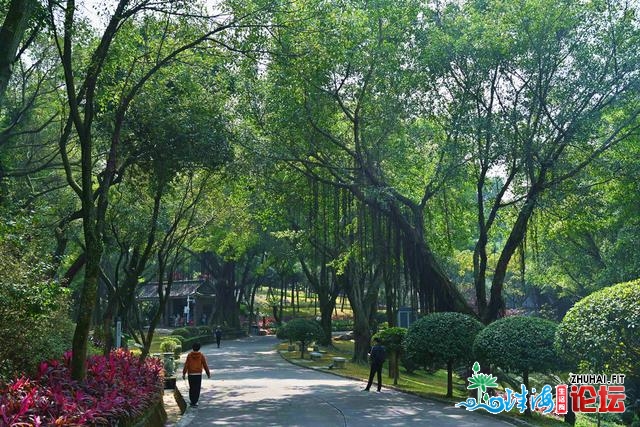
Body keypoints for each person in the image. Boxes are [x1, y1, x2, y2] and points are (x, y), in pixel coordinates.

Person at [182, 342, 211, 407]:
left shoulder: (189, 355)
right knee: (197, 388)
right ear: (199, 348)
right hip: (198, 374)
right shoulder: (201, 355)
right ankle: (195, 401)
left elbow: (186, 365)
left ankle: (192, 401)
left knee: (191, 387)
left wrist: (184, 373)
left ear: (192, 348)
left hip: (191, 374)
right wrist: (208, 373)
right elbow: (205, 365)